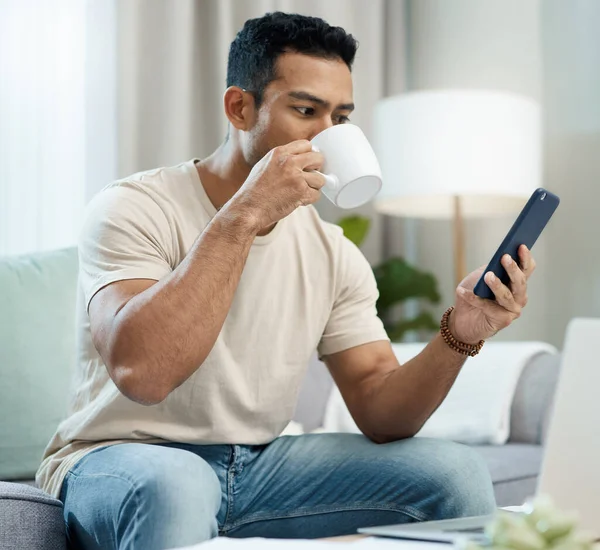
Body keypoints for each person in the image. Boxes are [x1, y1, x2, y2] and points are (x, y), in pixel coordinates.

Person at [37, 11, 537, 550]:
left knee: (453, 473)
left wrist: (461, 333)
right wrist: (243, 216)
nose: (327, 136)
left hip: (259, 466)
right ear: (239, 107)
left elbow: (379, 408)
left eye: (340, 118)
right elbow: (144, 373)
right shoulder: (133, 207)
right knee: (174, 486)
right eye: (305, 111)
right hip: (119, 457)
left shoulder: (331, 250)